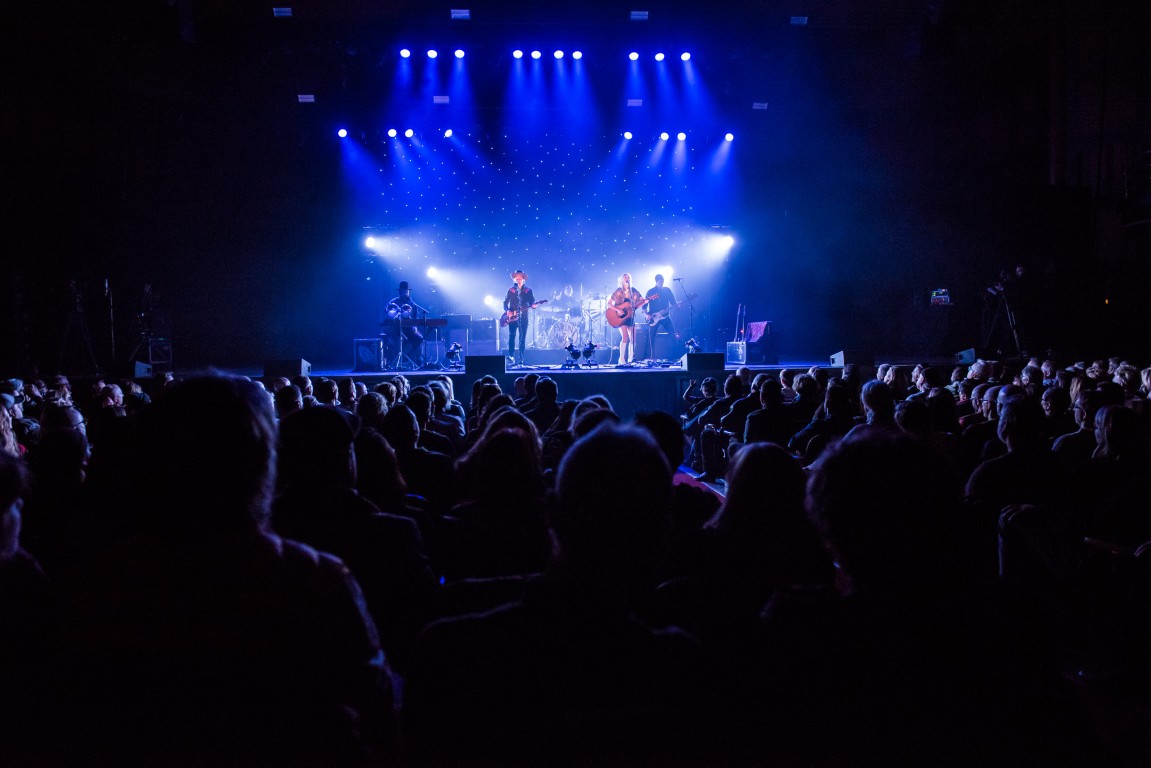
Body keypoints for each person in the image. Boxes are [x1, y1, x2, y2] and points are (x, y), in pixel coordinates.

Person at [382, 280, 425, 367]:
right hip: (396, 330)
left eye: (406, 291)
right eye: (403, 291)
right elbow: (386, 310)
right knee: (396, 341)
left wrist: (413, 324)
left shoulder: (412, 303)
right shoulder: (394, 301)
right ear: (400, 291)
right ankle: (398, 361)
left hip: (410, 330)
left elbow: (415, 319)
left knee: (420, 339)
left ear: (408, 292)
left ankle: (417, 360)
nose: (405, 292)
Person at [608, 272, 645, 365]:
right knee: (625, 337)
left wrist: (645, 301)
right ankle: (621, 359)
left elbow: (638, 303)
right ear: (622, 280)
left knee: (633, 338)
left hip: (630, 316)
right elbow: (609, 303)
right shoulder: (619, 291)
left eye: (628, 277)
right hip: (620, 317)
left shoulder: (633, 291)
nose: (627, 279)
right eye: (625, 277)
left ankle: (630, 358)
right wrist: (618, 310)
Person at [503, 269, 537, 366]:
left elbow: (532, 302)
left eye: (520, 278)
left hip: (524, 317)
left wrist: (534, 305)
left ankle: (521, 359)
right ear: (514, 279)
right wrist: (507, 310)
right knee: (512, 336)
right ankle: (511, 357)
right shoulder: (511, 290)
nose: (518, 279)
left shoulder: (528, 291)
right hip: (512, 317)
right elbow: (505, 303)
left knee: (522, 338)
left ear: (523, 279)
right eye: (516, 278)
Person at [642, 273, 677, 358]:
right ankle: (648, 358)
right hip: (654, 318)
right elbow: (644, 307)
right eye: (660, 282)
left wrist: (678, 305)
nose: (661, 283)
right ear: (656, 281)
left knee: (673, 336)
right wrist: (647, 315)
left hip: (665, 317)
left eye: (663, 282)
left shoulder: (667, 290)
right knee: (651, 339)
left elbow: (673, 303)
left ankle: (675, 357)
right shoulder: (650, 292)